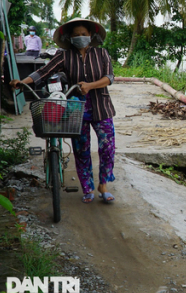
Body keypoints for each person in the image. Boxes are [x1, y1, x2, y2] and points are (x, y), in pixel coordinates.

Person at [10, 18, 116, 204]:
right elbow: (43, 72)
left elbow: (109, 77)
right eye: (76, 35)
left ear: (91, 36)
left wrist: (90, 86)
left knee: (107, 147)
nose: (81, 38)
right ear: (70, 38)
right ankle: (87, 188)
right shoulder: (64, 55)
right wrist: (22, 82)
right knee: (81, 149)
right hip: (76, 107)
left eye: (84, 34)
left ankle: (104, 184)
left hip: (102, 106)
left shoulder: (102, 54)